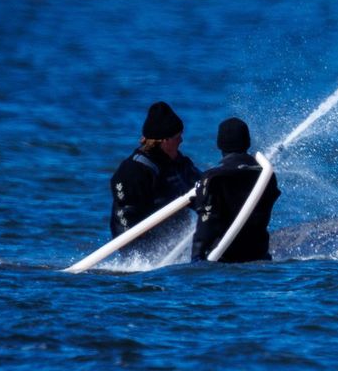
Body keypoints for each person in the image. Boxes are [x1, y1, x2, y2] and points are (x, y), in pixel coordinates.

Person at [109, 101, 202, 250]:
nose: (181, 140)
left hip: (177, 244)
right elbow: (124, 219)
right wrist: (137, 256)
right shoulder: (133, 171)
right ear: (165, 140)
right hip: (144, 250)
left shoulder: (180, 165)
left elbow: (202, 189)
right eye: (178, 136)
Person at [191, 118, 281, 263]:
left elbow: (207, 222)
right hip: (259, 255)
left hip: (222, 258)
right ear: (248, 142)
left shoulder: (213, 177)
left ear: (220, 144)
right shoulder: (266, 175)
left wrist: (196, 257)